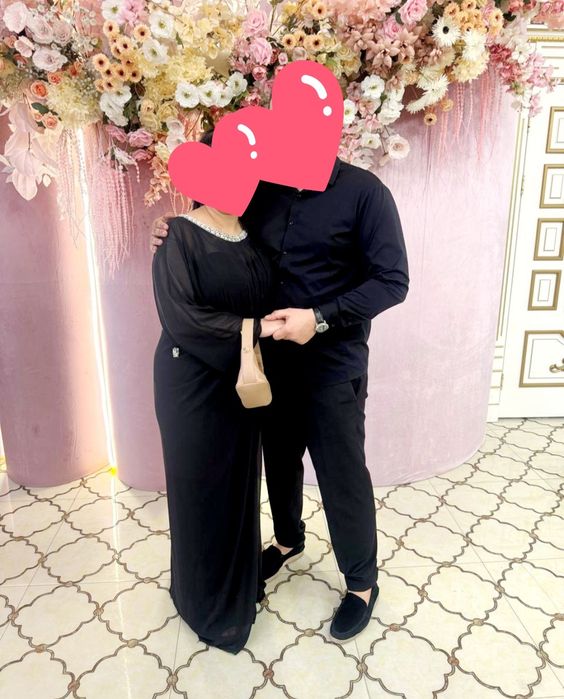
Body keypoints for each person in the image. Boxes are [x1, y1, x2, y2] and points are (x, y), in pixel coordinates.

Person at [151, 144, 410, 643]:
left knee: (342, 476)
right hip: (266, 363)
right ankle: (289, 540)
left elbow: (393, 281)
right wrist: (169, 228)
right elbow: (220, 231)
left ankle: (361, 584)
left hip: (332, 367)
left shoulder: (366, 193)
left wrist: (320, 318)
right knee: (279, 462)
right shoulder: (261, 188)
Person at [151, 128, 284, 654]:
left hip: (241, 382)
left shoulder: (253, 237)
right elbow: (181, 318)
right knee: (200, 491)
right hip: (192, 385)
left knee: (237, 487)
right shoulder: (179, 235)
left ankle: (240, 585)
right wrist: (256, 328)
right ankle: (206, 603)